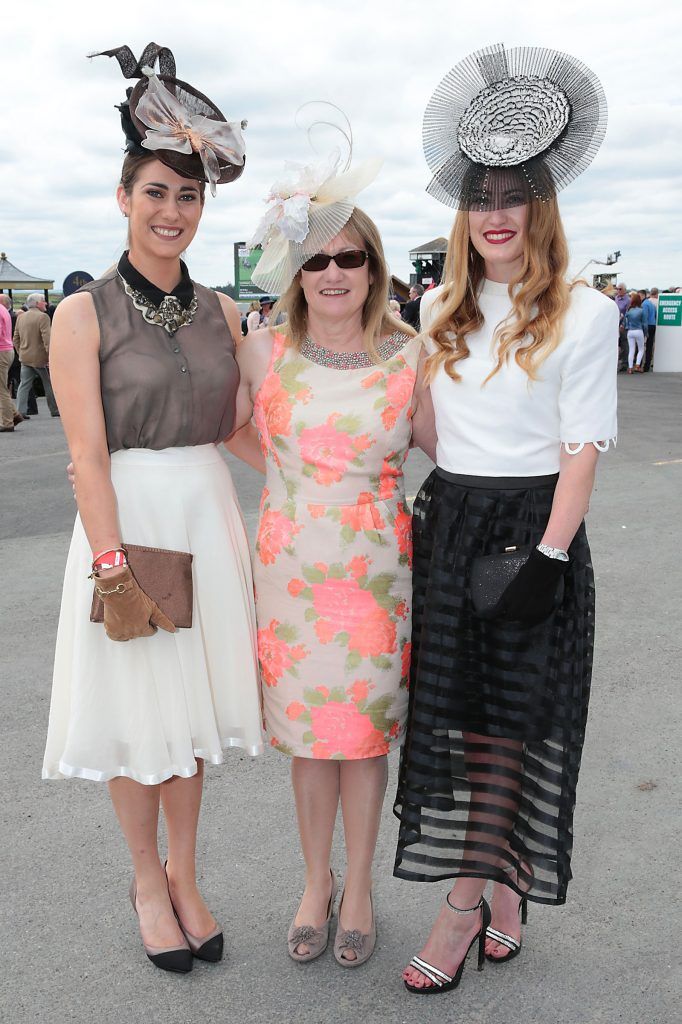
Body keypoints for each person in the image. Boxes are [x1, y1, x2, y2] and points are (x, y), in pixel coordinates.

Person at [393, 43, 617, 996]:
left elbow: (581, 449)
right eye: (479, 198)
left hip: (533, 532)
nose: (494, 214)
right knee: (460, 723)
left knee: (514, 725)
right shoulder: (439, 304)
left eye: (512, 197)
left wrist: (550, 556)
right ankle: (506, 887)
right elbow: (436, 433)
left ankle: (461, 901)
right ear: (463, 212)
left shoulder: (584, 311)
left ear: (540, 207)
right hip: (449, 525)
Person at [42, 44, 263, 975]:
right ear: (125, 199)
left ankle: (186, 874)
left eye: (188, 196)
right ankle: (145, 881)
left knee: (192, 714)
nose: (172, 212)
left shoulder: (223, 310)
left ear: (203, 207)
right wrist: (108, 562)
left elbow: (251, 432)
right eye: (156, 194)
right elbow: (85, 453)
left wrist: (343, 465)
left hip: (207, 516)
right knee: (141, 718)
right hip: (124, 524)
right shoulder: (82, 313)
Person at [237, 141, 436, 967]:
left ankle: (357, 887)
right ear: (296, 268)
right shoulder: (262, 351)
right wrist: (293, 478)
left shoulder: (411, 358)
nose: (332, 272)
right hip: (290, 571)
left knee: (362, 736)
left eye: (349, 257)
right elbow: (226, 427)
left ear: (373, 266)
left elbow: (452, 455)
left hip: (378, 573)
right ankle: (313, 882)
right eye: (316, 257)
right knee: (311, 739)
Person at [13, 292, 60, 418]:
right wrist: (51, 357)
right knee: (48, 384)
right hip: (40, 359)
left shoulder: (21, 317)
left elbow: (15, 339)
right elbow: (47, 339)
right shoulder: (43, 317)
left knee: (24, 385)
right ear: (37, 303)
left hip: (25, 357)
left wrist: (21, 352)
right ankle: (54, 410)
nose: (46, 303)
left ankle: (20, 411)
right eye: (44, 300)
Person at [0, 294, 23, 431]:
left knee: (1, 389)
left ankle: (7, 423)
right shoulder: (4, 310)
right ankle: (15, 414)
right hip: (7, 350)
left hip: (1, 351)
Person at [624, 292, 647, 373]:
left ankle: (630, 368)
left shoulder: (629, 310)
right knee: (641, 349)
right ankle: (637, 365)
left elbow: (625, 321)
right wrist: (646, 333)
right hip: (639, 330)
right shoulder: (641, 310)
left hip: (630, 331)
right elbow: (644, 323)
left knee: (631, 349)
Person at [614, 282, 630, 371]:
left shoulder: (628, 300)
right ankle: (618, 362)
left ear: (624, 290)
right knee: (616, 344)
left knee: (624, 344)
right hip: (615, 324)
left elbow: (627, 314)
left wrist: (623, 324)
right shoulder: (616, 298)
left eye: (620, 289)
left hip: (622, 325)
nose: (618, 291)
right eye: (617, 289)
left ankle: (624, 363)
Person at [642, 287, 658, 371]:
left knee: (643, 346)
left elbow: (645, 316)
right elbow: (655, 314)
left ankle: (643, 365)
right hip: (653, 324)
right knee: (650, 345)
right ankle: (648, 364)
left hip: (647, 325)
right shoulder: (655, 303)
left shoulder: (646, 303)